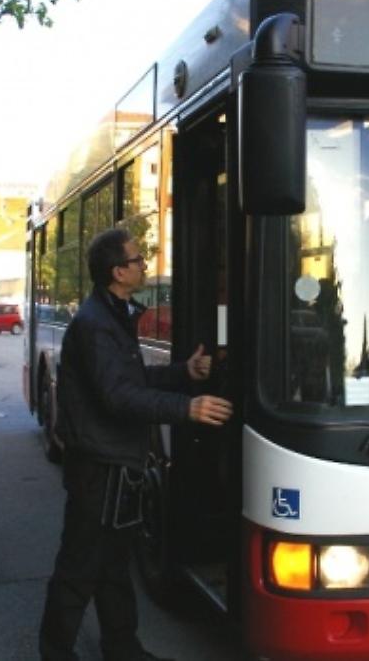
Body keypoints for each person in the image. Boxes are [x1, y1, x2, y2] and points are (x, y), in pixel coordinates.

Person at [39, 228, 233, 661]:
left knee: (112, 568)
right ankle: (55, 652)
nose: (145, 264)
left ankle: (122, 648)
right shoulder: (95, 325)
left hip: (115, 463)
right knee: (79, 569)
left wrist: (185, 371)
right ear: (118, 271)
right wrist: (188, 408)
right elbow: (119, 396)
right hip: (99, 468)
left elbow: (134, 379)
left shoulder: (112, 315)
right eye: (138, 259)